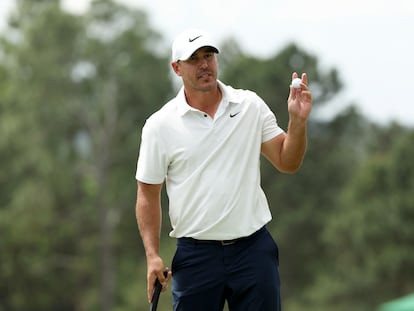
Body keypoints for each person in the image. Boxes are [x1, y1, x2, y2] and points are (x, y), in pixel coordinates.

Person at [135, 28, 312, 311]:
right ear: (177, 68)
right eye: (194, 59)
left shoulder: (249, 105)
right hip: (196, 257)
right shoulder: (160, 125)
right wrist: (153, 255)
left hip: (253, 250)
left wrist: (298, 121)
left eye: (209, 56)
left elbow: (287, 161)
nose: (204, 64)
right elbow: (147, 193)